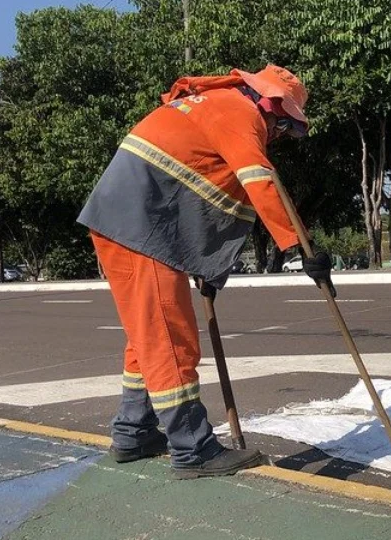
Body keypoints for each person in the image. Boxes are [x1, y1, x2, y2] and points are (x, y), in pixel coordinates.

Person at [77, 65, 334, 479]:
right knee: (170, 339)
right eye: (284, 127)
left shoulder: (210, 105)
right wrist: (299, 247)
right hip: (140, 228)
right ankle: (193, 448)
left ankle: (134, 431)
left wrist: (208, 263)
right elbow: (258, 182)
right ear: (271, 107)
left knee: (148, 335)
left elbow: (204, 188)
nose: (280, 137)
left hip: (126, 222)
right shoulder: (239, 113)